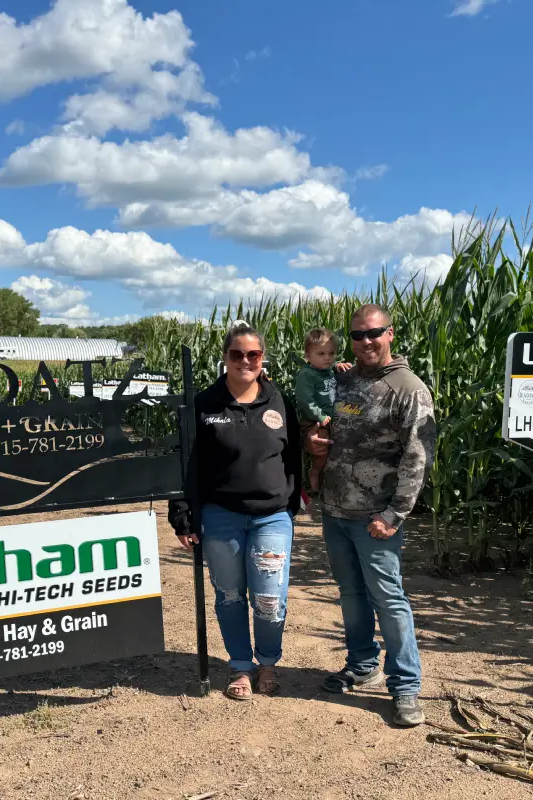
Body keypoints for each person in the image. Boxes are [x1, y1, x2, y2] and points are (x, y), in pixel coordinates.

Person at [306, 304, 436, 727]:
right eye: (357, 335)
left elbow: (418, 457)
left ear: (390, 333)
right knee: (351, 594)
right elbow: (317, 415)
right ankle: (362, 665)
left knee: (389, 600)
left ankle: (405, 687)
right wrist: (312, 445)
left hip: (375, 518)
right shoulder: (342, 381)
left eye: (374, 333)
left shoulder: (408, 389)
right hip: (336, 510)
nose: (366, 341)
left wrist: (395, 514)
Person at [168, 322, 302, 700]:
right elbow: (184, 462)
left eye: (253, 354)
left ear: (262, 358)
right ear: (225, 357)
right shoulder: (203, 404)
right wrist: (182, 514)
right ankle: (241, 666)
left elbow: (293, 456)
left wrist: (292, 501)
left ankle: (268, 662)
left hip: (271, 515)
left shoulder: (280, 401)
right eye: (237, 354)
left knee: (269, 599)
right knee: (229, 596)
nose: (245, 361)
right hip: (220, 514)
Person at [294, 327, 338, 493]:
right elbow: (305, 399)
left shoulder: (329, 371)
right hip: (315, 420)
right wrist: (319, 416)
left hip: (329, 418)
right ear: (307, 356)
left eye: (331, 353)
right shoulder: (307, 374)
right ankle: (315, 472)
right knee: (322, 449)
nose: (327, 357)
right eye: (321, 354)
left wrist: (339, 366)